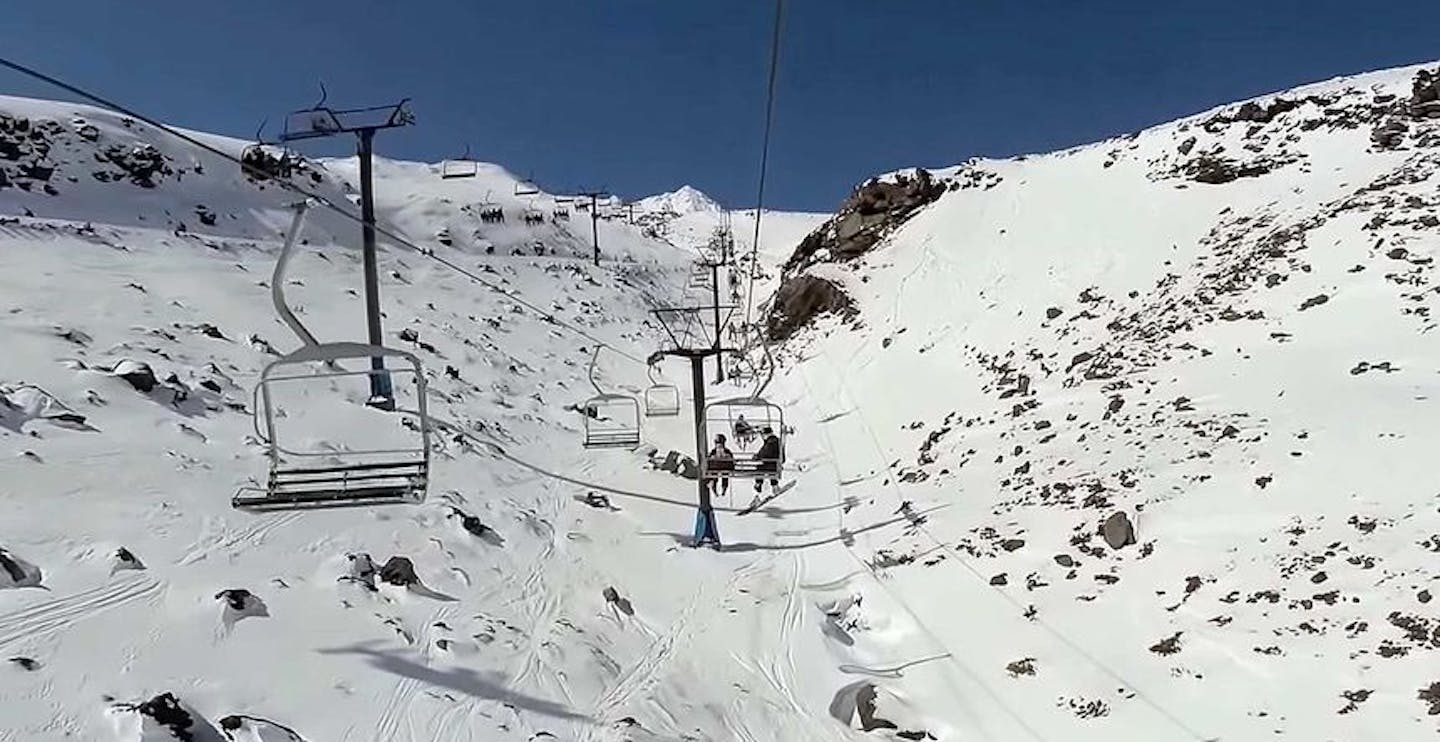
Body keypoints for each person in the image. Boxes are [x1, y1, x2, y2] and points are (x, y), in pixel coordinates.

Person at [753, 426, 782, 497]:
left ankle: (759, 485)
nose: (762, 437)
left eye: (763, 435)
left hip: (771, 463)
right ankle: (774, 486)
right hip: (774, 463)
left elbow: (765, 452)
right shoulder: (774, 441)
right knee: (768, 471)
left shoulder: (770, 442)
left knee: (760, 469)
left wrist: (757, 456)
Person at [706, 434, 734, 499]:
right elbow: (709, 461)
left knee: (725, 475)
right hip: (716, 467)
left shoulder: (727, 451)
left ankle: (723, 489)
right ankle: (714, 488)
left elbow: (731, 461)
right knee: (714, 476)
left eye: (721, 444)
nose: (719, 446)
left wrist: (728, 461)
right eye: (718, 444)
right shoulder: (713, 452)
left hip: (724, 467)